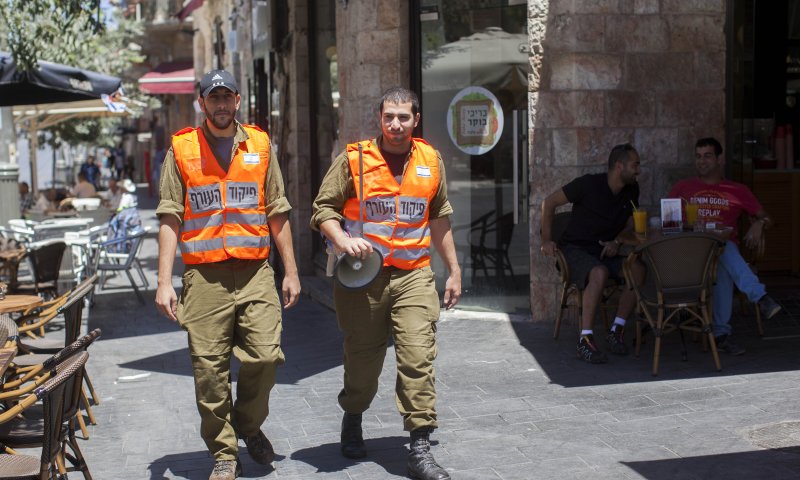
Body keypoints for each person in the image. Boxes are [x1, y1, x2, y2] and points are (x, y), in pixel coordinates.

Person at [155, 69, 301, 480]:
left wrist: (291, 271)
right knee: (209, 371)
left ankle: (248, 424)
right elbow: (170, 216)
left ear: (238, 100)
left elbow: (277, 210)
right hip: (204, 279)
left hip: (255, 271)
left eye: (227, 97)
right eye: (213, 97)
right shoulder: (181, 149)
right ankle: (224, 453)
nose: (220, 104)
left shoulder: (260, 144)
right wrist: (164, 281)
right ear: (202, 102)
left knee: (266, 355)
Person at [311, 87, 461, 480]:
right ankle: (353, 413)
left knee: (418, 357)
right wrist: (342, 240)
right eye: (389, 116)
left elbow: (439, 216)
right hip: (364, 279)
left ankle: (419, 447)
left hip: (414, 275)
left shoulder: (430, 160)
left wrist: (454, 269)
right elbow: (323, 209)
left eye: (403, 117)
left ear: (416, 120)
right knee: (363, 363)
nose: (396, 124)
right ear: (379, 118)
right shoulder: (354, 160)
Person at [668, 137, 782, 355]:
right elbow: (668, 222)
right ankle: (760, 298)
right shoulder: (682, 187)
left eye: (707, 156)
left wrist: (759, 223)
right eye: (698, 156)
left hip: (720, 252)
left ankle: (721, 335)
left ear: (719, 159)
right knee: (725, 251)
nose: (701, 161)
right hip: (690, 254)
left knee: (723, 257)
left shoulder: (738, 190)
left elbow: (768, 218)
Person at [540, 143, 646, 364]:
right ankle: (585, 341)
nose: (638, 170)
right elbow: (548, 203)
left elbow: (629, 223)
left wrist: (617, 241)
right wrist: (546, 239)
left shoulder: (631, 190)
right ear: (619, 166)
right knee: (599, 272)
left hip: (603, 251)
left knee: (637, 269)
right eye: (635, 165)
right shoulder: (588, 184)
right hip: (573, 250)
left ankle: (616, 330)